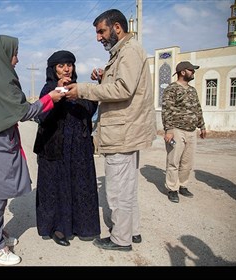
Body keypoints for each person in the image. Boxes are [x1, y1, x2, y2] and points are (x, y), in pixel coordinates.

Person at [0, 35, 64, 266]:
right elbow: (23, 111)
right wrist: (50, 98)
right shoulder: (2, 83)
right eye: (15, 53)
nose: (17, 59)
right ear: (3, 54)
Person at [65, 9, 157, 251]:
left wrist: (84, 89)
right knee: (127, 188)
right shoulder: (123, 53)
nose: (98, 38)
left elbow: (123, 89)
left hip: (122, 133)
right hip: (124, 131)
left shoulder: (130, 51)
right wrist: (103, 77)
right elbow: (119, 84)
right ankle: (131, 231)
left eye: (101, 31)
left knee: (117, 192)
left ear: (117, 28)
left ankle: (121, 239)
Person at [33, 50, 100, 246]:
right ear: (53, 69)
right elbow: (42, 116)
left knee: (80, 185)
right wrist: (59, 96)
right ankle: (57, 228)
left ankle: (82, 225)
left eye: (69, 64)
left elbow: (90, 111)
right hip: (55, 147)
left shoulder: (80, 88)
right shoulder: (48, 89)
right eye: (61, 65)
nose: (66, 68)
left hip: (79, 147)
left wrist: (79, 95)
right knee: (55, 188)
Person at [161, 61, 206, 203]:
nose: (193, 72)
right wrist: (169, 130)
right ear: (182, 72)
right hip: (176, 130)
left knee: (187, 162)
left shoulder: (192, 90)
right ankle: (172, 189)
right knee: (173, 161)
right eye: (191, 70)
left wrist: (202, 126)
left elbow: (197, 109)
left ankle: (182, 185)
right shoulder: (171, 89)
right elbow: (167, 110)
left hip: (191, 131)